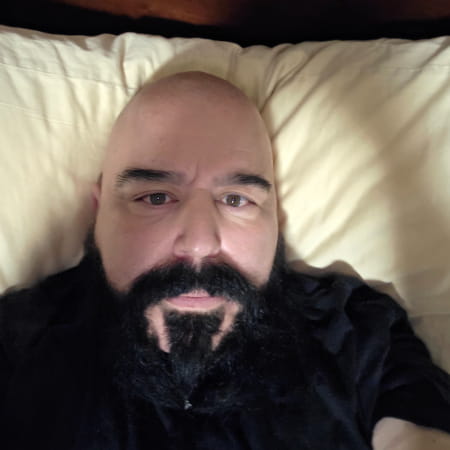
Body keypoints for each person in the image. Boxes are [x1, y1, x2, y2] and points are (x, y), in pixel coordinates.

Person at [0, 71, 449, 450]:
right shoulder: (17, 344)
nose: (199, 244)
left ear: (277, 221)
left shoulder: (358, 335)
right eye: (155, 197)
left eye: (236, 199)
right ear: (98, 214)